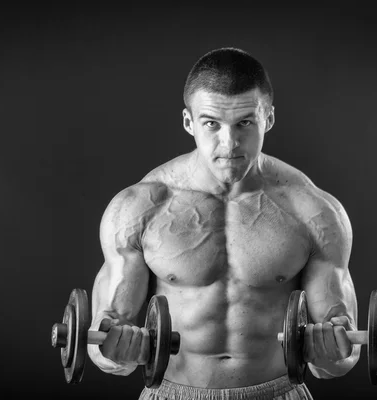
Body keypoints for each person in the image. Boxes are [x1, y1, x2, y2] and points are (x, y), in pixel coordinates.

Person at [87, 47, 360, 400]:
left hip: (279, 392)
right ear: (189, 122)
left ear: (269, 119)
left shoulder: (313, 211)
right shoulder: (139, 209)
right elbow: (103, 336)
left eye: (245, 122)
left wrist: (333, 352)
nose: (229, 143)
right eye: (211, 124)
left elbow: (339, 356)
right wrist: (115, 351)